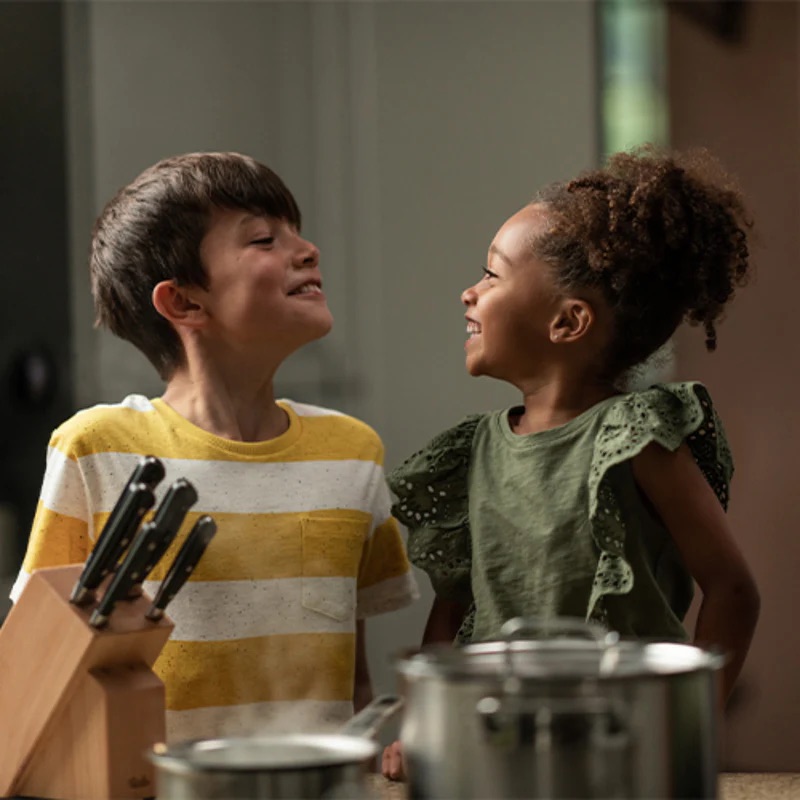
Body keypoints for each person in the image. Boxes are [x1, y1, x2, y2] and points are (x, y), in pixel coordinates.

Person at [10, 152, 418, 742]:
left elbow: (352, 681)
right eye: (264, 239)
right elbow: (36, 667)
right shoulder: (96, 450)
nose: (308, 250)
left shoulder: (353, 452)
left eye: (297, 232)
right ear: (184, 303)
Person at [382, 145, 760, 780]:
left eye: (492, 275)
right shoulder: (470, 453)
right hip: (496, 753)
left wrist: (693, 724)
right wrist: (424, 728)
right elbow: (451, 612)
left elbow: (733, 589)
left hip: (619, 756)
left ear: (567, 322)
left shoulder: (636, 439)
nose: (469, 292)